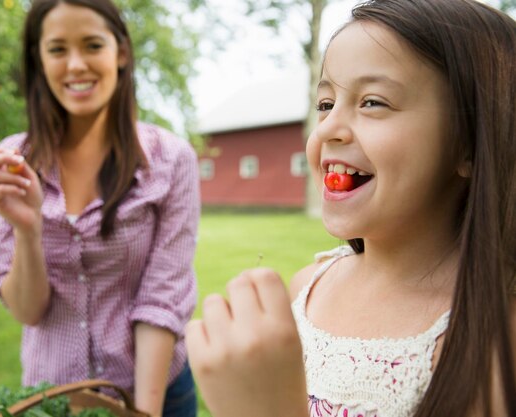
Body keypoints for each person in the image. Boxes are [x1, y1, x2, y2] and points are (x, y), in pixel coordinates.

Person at [185, 0, 516, 416]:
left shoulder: (494, 344)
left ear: (469, 145)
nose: (327, 130)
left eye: (373, 102)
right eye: (325, 104)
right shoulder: (306, 289)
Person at [0, 1, 200, 416]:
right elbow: (28, 311)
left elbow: (163, 298)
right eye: (58, 49)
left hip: (156, 393)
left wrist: (143, 411)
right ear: (39, 59)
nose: (76, 64)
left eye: (92, 45)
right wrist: (27, 229)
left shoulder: (171, 159)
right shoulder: (11, 163)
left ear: (120, 52)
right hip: (53, 398)